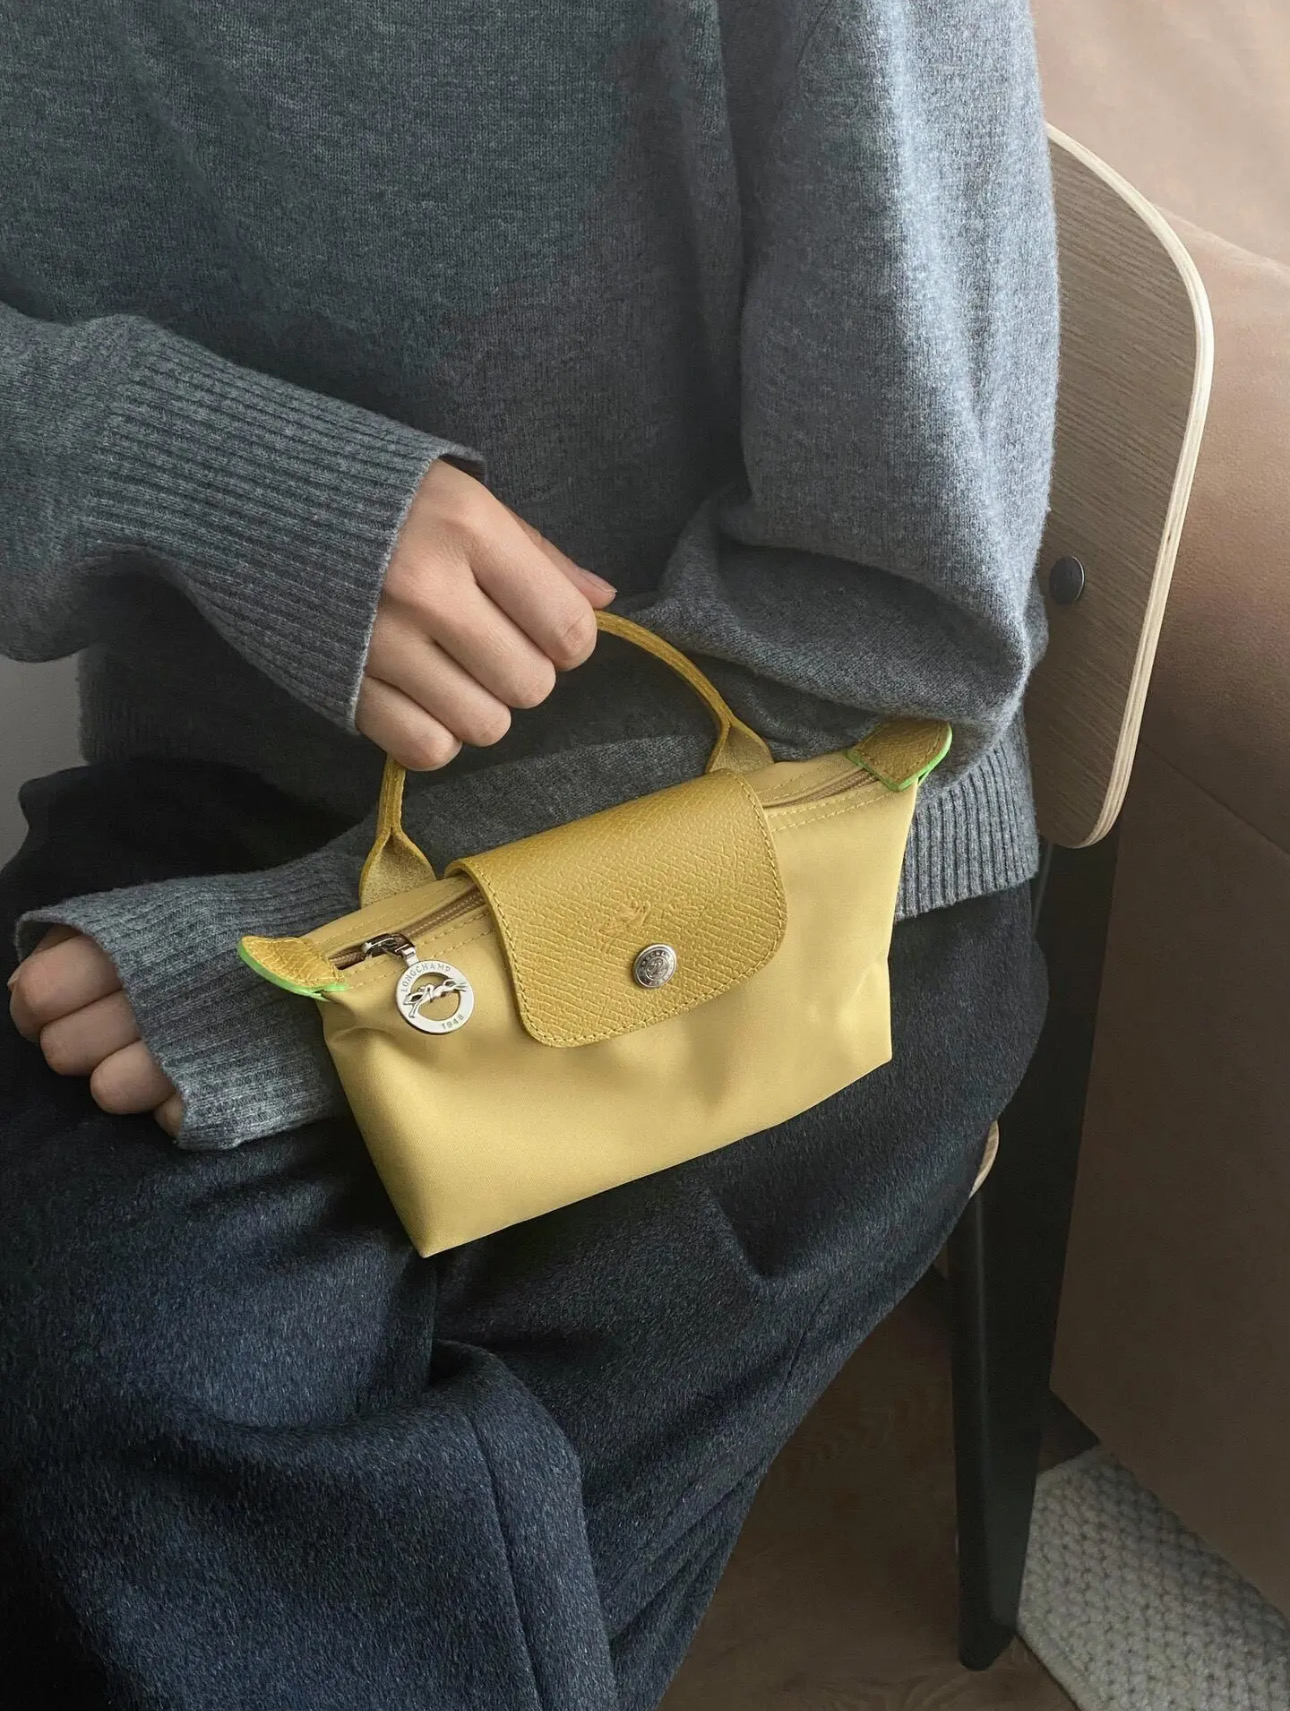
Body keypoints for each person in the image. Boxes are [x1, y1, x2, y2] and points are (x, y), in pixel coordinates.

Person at [0, 0, 1056, 1704]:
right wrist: (177, 466)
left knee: (147, 1496)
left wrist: (346, 972)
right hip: (228, 794)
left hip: (803, 863)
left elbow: (895, 636)